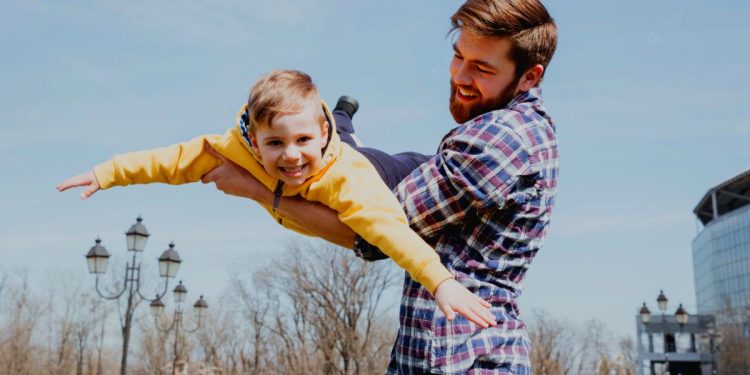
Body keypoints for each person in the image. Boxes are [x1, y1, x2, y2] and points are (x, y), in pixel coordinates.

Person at [200, 0, 559, 373]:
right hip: (447, 355)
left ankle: (342, 132)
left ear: (530, 76)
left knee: (366, 165)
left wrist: (258, 189)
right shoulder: (519, 131)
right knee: (381, 163)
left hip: (461, 360)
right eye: (458, 57)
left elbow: (370, 234)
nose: (459, 76)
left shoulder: (497, 141)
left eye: (482, 68)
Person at [56, 69, 497, 328]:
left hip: (385, 170)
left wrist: (440, 280)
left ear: (318, 134)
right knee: (337, 136)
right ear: (252, 137)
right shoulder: (232, 146)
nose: (290, 157)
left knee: (383, 158)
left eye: (303, 139)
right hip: (329, 140)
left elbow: (389, 232)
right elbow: (168, 160)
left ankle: (343, 119)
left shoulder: (350, 180)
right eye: (274, 144)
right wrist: (107, 173)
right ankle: (342, 114)